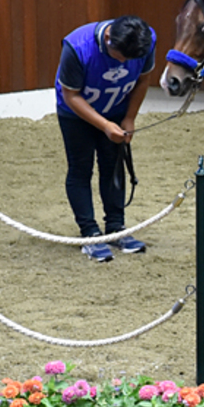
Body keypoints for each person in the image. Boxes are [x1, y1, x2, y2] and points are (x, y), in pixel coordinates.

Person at [54, 15, 156, 262]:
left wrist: (129, 118)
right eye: (119, 56)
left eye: (128, 60)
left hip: (116, 108)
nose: (122, 64)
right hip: (76, 114)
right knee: (81, 168)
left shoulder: (146, 40)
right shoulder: (77, 48)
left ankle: (116, 227)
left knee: (113, 166)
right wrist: (105, 125)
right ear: (108, 38)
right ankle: (89, 233)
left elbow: (143, 80)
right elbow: (71, 95)